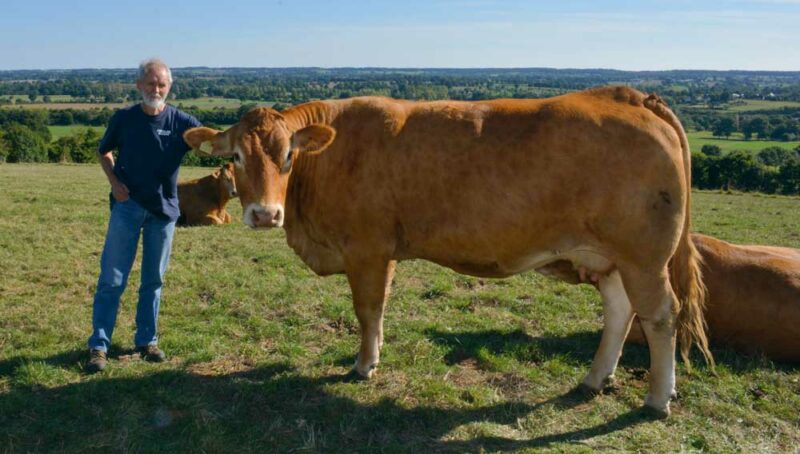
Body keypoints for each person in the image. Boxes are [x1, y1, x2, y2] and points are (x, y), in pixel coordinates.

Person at [86, 58, 201, 373]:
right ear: (138, 85)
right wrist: (115, 182)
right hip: (127, 207)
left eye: (162, 84)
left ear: (169, 87)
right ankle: (98, 346)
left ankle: (147, 341)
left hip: (163, 212)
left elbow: (211, 141)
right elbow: (104, 151)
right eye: (150, 83)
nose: (156, 89)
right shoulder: (124, 119)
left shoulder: (181, 122)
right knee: (112, 278)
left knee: (154, 279)